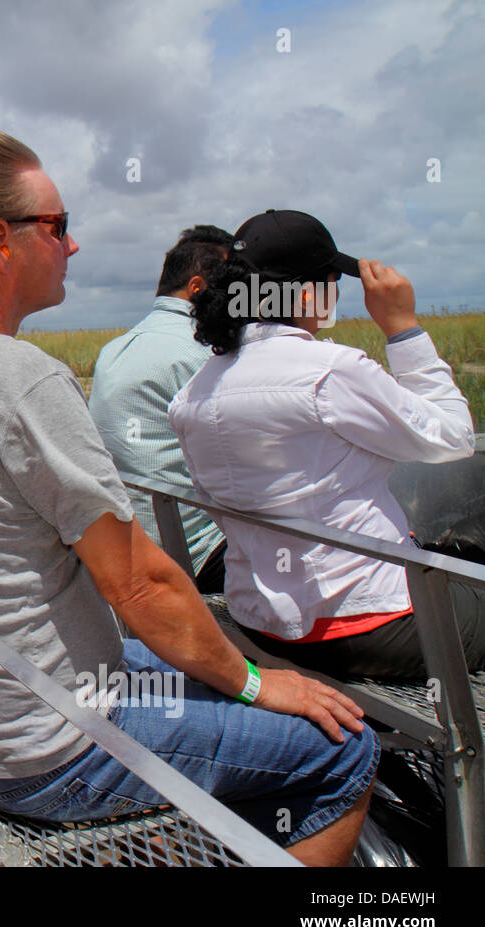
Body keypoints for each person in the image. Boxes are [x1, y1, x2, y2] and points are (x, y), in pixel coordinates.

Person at [0, 128, 378, 865]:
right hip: (48, 747)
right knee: (340, 748)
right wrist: (256, 683)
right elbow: (141, 583)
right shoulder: (21, 378)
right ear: (0, 238)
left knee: (186, 666)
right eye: (58, 227)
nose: (74, 246)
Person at [169, 209, 484, 681]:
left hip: (262, 619)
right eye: (334, 280)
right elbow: (454, 438)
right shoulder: (330, 371)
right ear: (307, 292)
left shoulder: (193, 392)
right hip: (369, 624)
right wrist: (403, 328)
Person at [88, 225, 231, 593]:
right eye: (234, 288)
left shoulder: (114, 350)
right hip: (198, 554)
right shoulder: (202, 353)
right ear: (197, 288)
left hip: (130, 542)